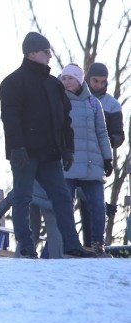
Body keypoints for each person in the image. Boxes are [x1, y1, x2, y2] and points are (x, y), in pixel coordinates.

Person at [0, 32, 95, 258]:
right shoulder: (13, 82)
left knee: (62, 197)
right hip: (25, 153)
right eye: (46, 52)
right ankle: (25, 245)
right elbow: (10, 118)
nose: (50, 56)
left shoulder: (54, 85)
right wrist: (17, 148)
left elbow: (65, 120)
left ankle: (72, 244)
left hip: (50, 154)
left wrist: (67, 148)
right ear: (32, 53)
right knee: (22, 197)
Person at [59, 63, 113, 257]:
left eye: (70, 78)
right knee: (65, 204)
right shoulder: (58, 99)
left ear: (80, 79)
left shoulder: (93, 103)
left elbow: (102, 132)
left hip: (92, 163)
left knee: (98, 205)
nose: (66, 82)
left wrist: (108, 158)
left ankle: (98, 244)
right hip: (68, 163)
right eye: (64, 78)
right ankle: (69, 244)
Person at [79, 61, 124, 247]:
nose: (97, 85)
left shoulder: (112, 105)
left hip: (97, 158)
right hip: (76, 156)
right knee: (73, 200)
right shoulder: (77, 99)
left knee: (94, 202)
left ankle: (94, 244)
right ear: (87, 79)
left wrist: (104, 142)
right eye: (94, 80)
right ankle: (74, 244)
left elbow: (119, 136)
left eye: (101, 82)